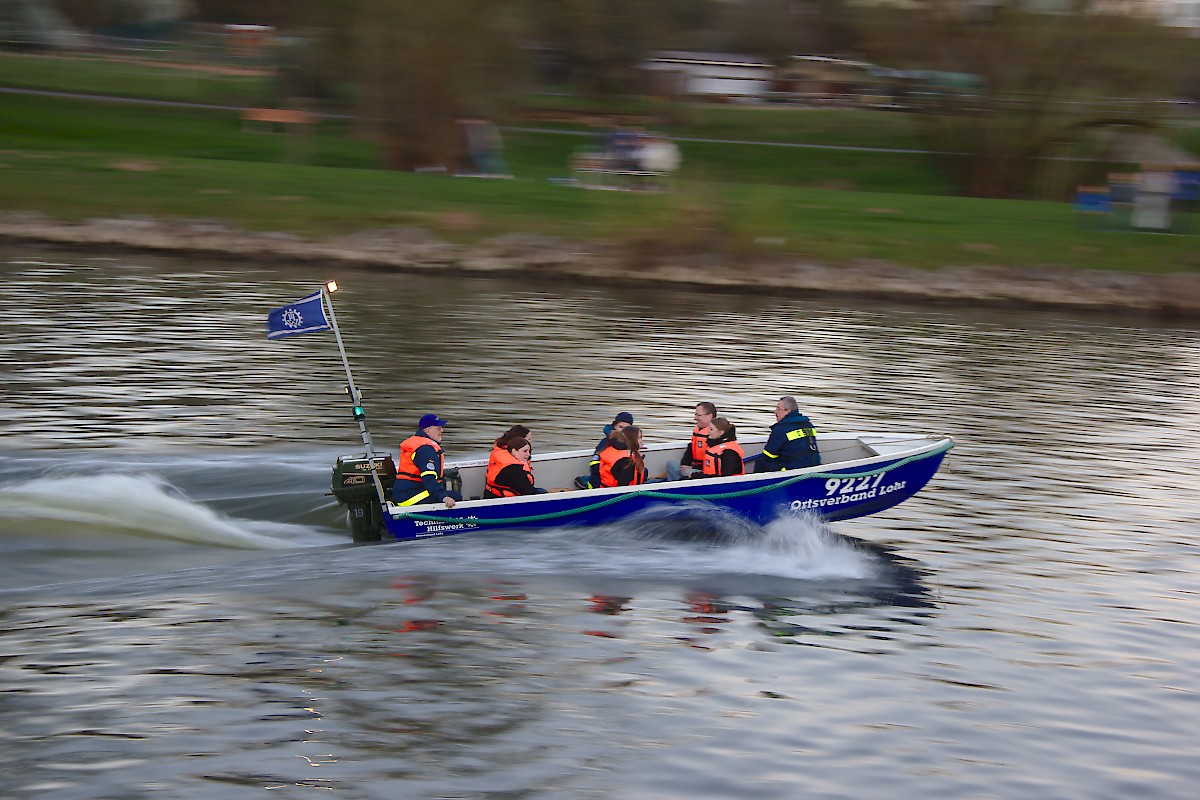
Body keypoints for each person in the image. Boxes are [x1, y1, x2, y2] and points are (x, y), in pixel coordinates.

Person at [392, 413, 462, 508]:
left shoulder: (419, 444)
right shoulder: (426, 449)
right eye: (438, 428)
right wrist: (443, 497)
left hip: (403, 494)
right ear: (428, 430)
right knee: (456, 496)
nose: (442, 430)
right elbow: (428, 478)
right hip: (412, 497)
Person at [756, 396, 820, 472]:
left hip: (792, 470)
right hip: (814, 466)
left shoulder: (781, 429)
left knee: (760, 462)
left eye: (778, 409)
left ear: (787, 411)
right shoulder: (809, 425)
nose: (775, 412)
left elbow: (768, 456)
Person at [575, 411, 635, 489]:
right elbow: (594, 466)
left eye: (626, 428)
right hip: (602, 483)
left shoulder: (632, 444)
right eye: (620, 427)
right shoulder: (605, 443)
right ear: (614, 426)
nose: (622, 431)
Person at [666, 402, 717, 481]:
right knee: (672, 464)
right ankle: (675, 484)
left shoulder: (715, 435)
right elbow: (691, 447)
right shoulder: (698, 430)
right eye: (695, 415)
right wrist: (684, 465)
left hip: (705, 472)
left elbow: (713, 464)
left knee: (687, 472)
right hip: (695, 466)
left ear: (709, 416)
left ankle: (679, 486)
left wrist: (693, 468)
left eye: (698, 415)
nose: (695, 418)